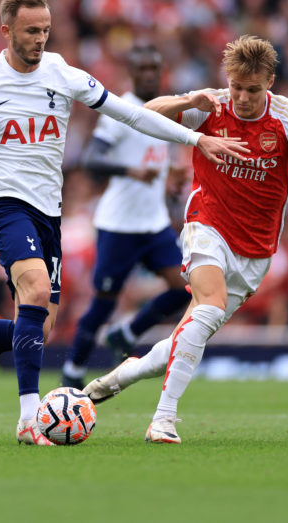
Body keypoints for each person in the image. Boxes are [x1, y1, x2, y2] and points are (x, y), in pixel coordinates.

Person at [0, 0, 249, 445]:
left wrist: (195, 140)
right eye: (30, 31)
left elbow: (133, 116)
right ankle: (28, 419)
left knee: (37, 327)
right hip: (5, 204)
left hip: (49, 213)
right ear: (5, 31)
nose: (41, 38)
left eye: (45, 29)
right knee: (36, 290)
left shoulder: (63, 74)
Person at [84, 35, 288, 444]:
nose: (241, 97)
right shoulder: (211, 105)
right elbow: (139, 116)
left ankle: (116, 378)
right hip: (207, 224)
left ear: (269, 81)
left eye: (252, 89)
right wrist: (187, 101)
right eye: (236, 86)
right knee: (209, 304)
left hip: (255, 252)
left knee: (187, 336)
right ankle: (163, 419)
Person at [59, 45, 192, 389]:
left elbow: (154, 158)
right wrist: (130, 171)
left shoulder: (165, 109)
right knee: (104, 303)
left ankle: (129, 332)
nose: (148, 74)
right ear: (132, 73)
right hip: (118, 225)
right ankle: (73, 368)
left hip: (154, 223)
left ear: (161, 71)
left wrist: (170, 176)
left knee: (186, 288)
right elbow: (91, 160)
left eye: (154, 67)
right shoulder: (120, 111)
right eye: (142, 69)